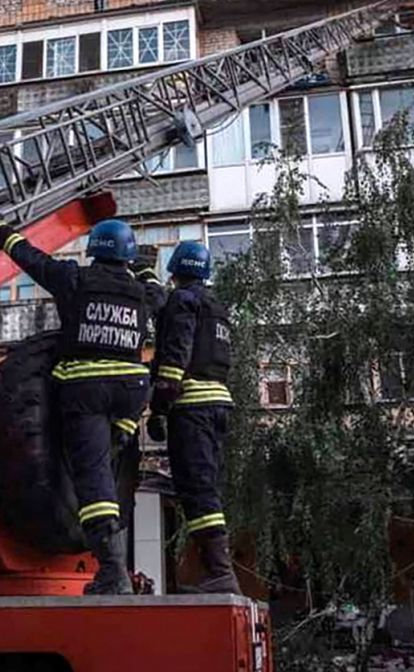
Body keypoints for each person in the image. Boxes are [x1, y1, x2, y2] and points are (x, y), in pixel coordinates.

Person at [0, 209, 165, 594]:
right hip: (131, 392)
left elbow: (28, 256)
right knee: (108, 465)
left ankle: (112, 570)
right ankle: (117, 451)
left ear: (93, 251)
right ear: (126, 256)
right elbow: (158, 293)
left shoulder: (75, 279)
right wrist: (143, 268)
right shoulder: (143, 293)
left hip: (87, 389)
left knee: (91, 476)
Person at [147, 241, 241, 594]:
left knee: (195, 488)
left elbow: (175, 353)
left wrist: (158, 407)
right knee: (205, 486)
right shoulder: (214, 306)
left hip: (192, 407)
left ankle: (219, 572)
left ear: (175, 270)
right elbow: (167, 313)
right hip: (218, 404)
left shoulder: (183, 301)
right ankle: (215, 571)